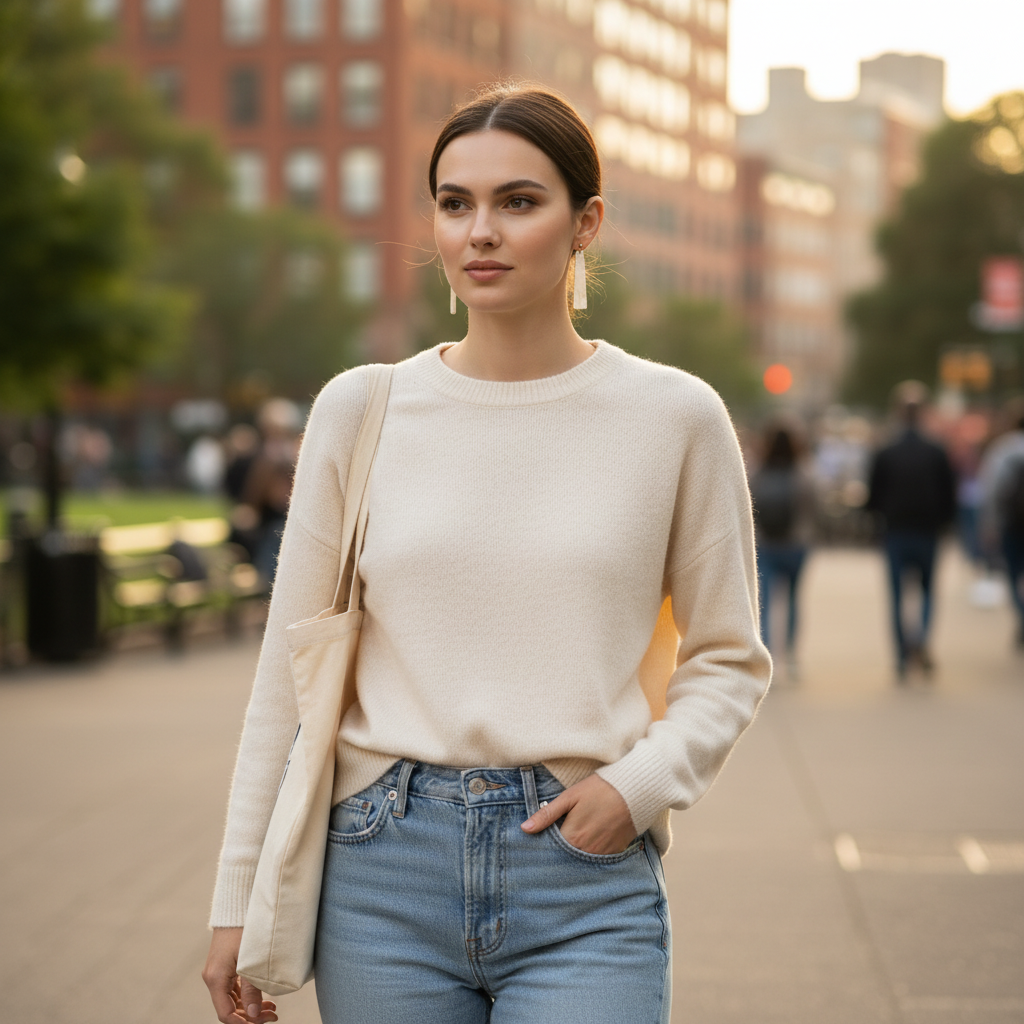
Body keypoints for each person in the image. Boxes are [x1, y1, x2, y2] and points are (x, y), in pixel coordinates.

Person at [202, 85, 771, 1024]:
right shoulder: (361, 407)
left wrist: (638, 788)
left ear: (585, 222)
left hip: (583, 874)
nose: (480, 232)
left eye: (518, 201)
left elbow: (729, 657)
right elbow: (286, 683)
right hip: (380, 868)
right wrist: (236, 900)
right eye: (455, 203)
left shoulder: (675, 416)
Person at [866, 381, 956, 679]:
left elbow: (873, 494)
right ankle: (921, 640)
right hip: (928, 531)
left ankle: (902, 657)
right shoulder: (937, 450)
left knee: (896, 595)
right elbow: (949, 492)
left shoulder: (886, 449)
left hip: (896, 531)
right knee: (928, 590)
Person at [750, 422, 815, 678]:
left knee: (763, 603)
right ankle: (791, 656)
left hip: (766, 544)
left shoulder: (758, 471)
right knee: (792, 600)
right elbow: (814, 507)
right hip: (796, 544)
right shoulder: (804, 472)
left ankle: (767, 658)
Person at [978, 399, 1024, 648]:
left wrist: (989, 524)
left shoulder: (1003, 450)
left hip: (1012, 524)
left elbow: (991, 490)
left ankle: (1021, 614)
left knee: (1013, 574)